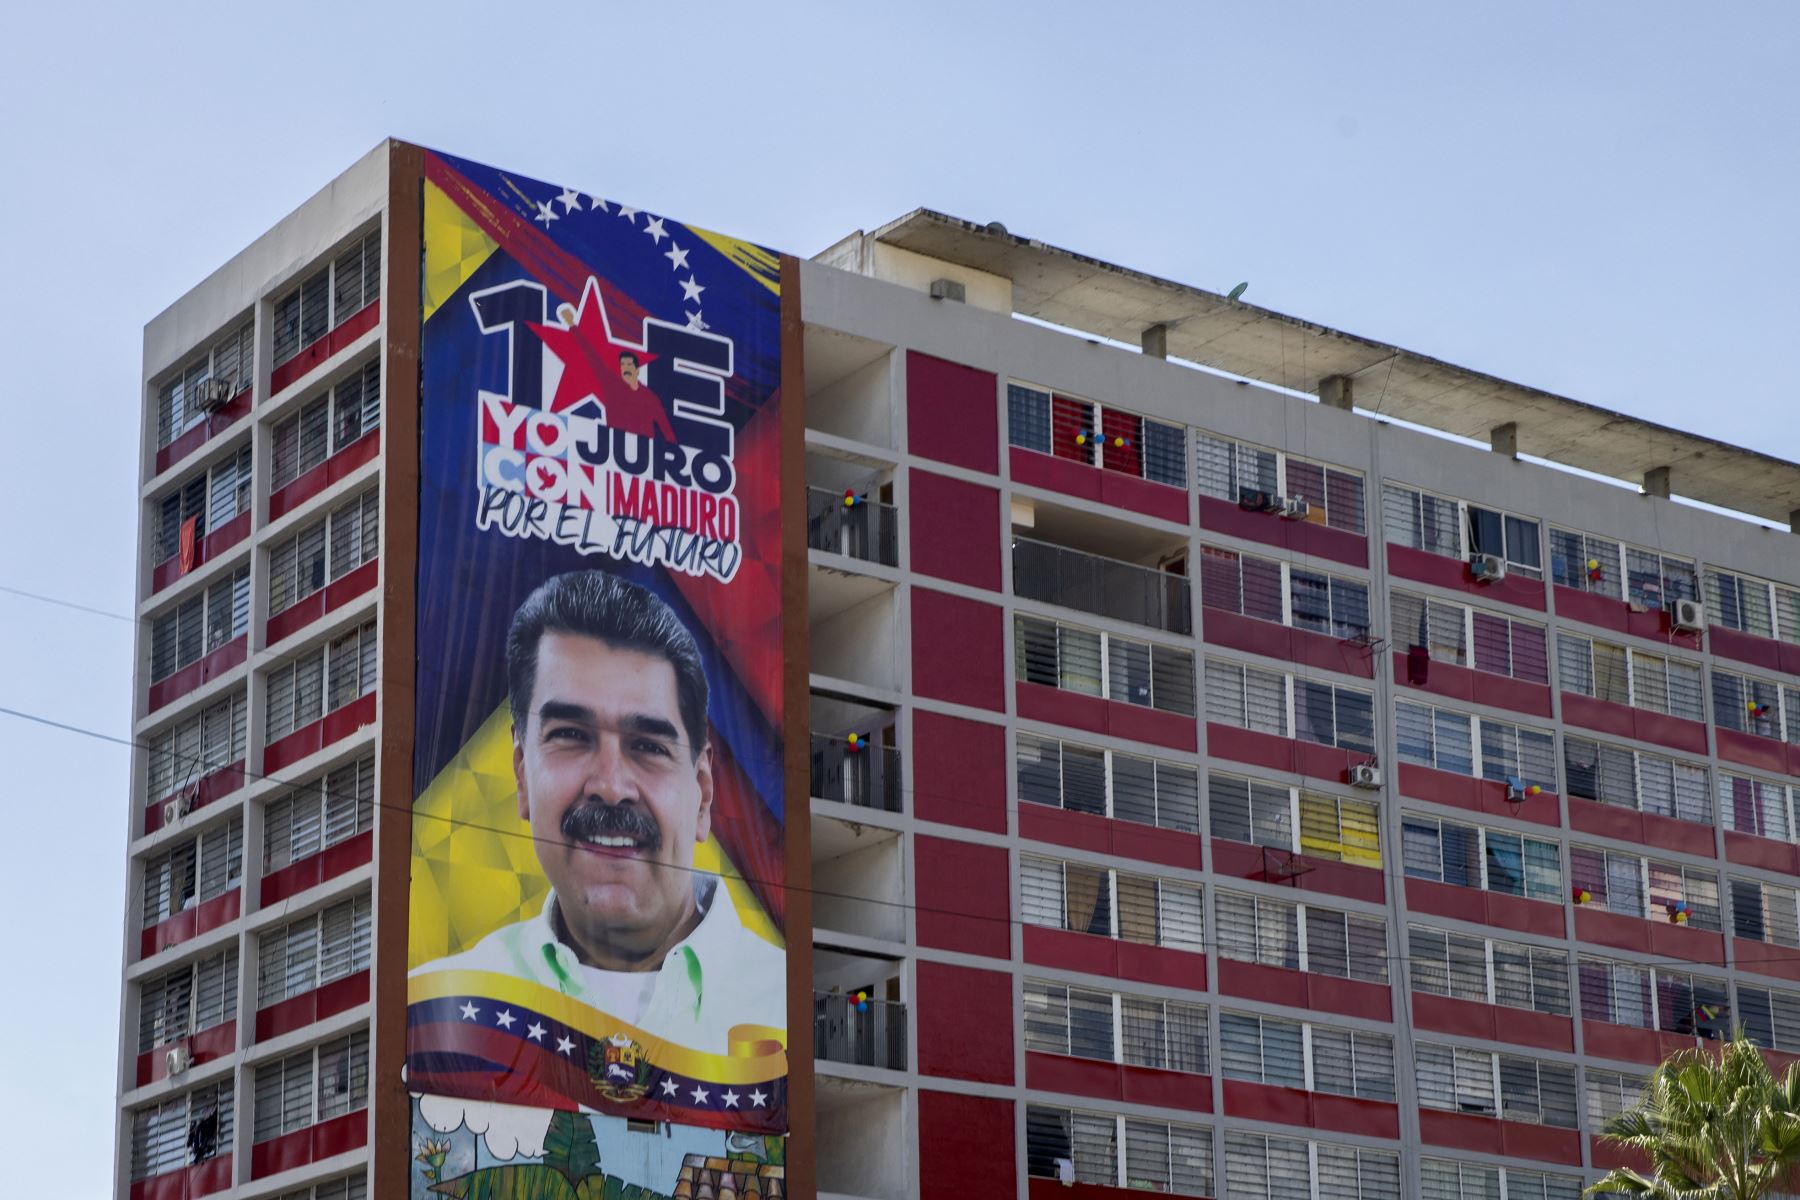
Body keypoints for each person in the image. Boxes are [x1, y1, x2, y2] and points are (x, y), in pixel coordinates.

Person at [411, 569, 784, 1055]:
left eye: (648, 745)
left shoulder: (790, 1012)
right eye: (571, 735)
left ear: (703, 791)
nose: (611, 786)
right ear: (522, 774)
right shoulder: (437, 1014)